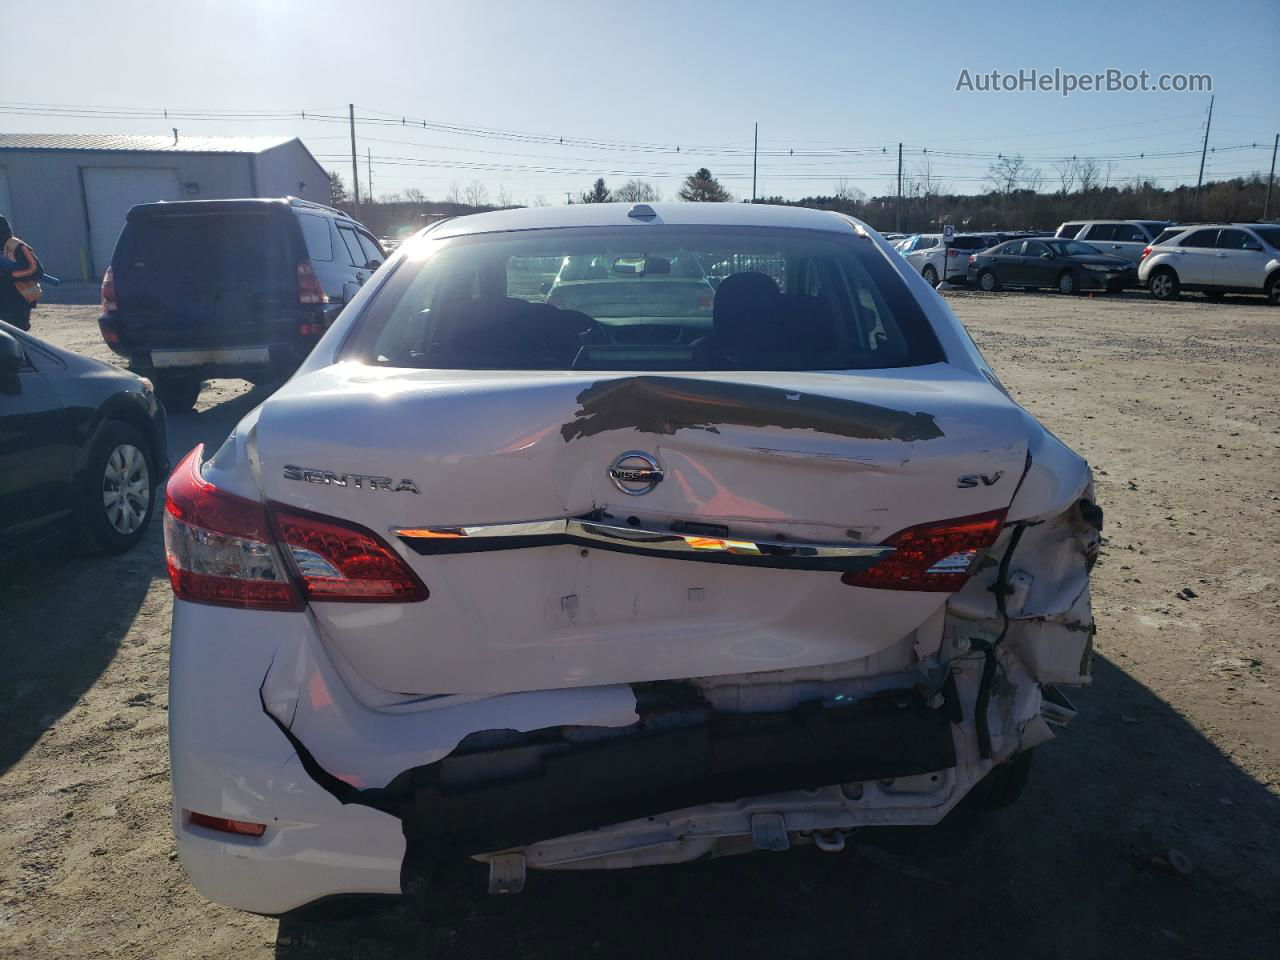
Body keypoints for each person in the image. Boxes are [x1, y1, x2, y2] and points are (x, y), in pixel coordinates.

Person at [0, 215, 42, 331]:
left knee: (17, 335)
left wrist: (10, 275)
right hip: (3, 301)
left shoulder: (17, 246)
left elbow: (36, 270)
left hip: (18, 301)